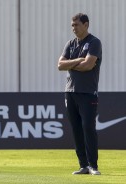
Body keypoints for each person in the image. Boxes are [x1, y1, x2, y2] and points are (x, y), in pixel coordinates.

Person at [58, 13, 102, 175]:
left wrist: (71, 63)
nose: (73, 28)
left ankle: (93, 166)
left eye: (76, 25)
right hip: (70, 92)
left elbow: (88, 66)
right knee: (76, 129)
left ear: (86, 25)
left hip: (88, 93)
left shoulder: (94, 42)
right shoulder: (70, 44)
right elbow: (60, 65)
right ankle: (83, 165)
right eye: (72, 25)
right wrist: (77, 61)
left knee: (88, 128)